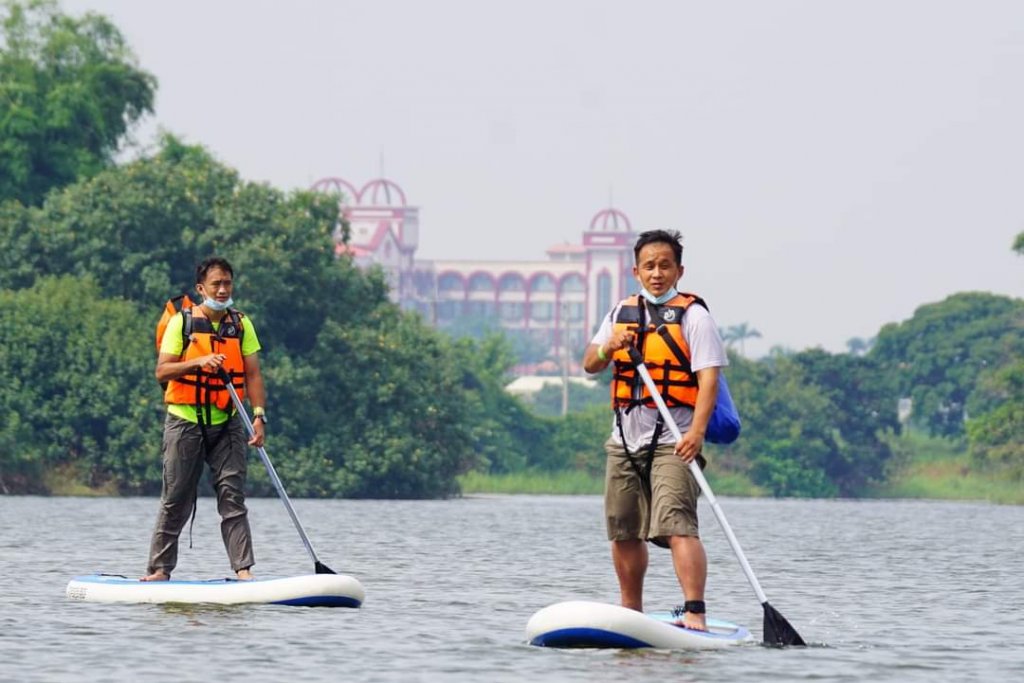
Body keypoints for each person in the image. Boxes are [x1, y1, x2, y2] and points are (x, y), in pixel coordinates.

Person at [582, 229, 728, 631]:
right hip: (625, 442)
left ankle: (694, 612)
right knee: (624, 529)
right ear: (636, 271)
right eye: (649, 266)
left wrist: (696, 434)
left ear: (680, 270)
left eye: (665, 265)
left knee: (677, 526)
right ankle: (632, 612)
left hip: (674, 441)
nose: (657, 273)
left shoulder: (694, 316)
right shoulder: (619, 314)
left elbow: (709, 381)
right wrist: (610, 346)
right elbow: (590, 363)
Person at [142, 257, 267, 582]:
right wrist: (198, 362)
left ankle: (244, 571)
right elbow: (163, 369)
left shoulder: (241, 325)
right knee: (176, 497)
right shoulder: (181, 323)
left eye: (227, 283)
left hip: (227, 421)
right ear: (201, 288)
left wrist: (258, 416)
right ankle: (159, 570)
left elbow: (253, 374)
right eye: (216, 284)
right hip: (185, 421)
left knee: (232, 495)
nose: (223, 289)